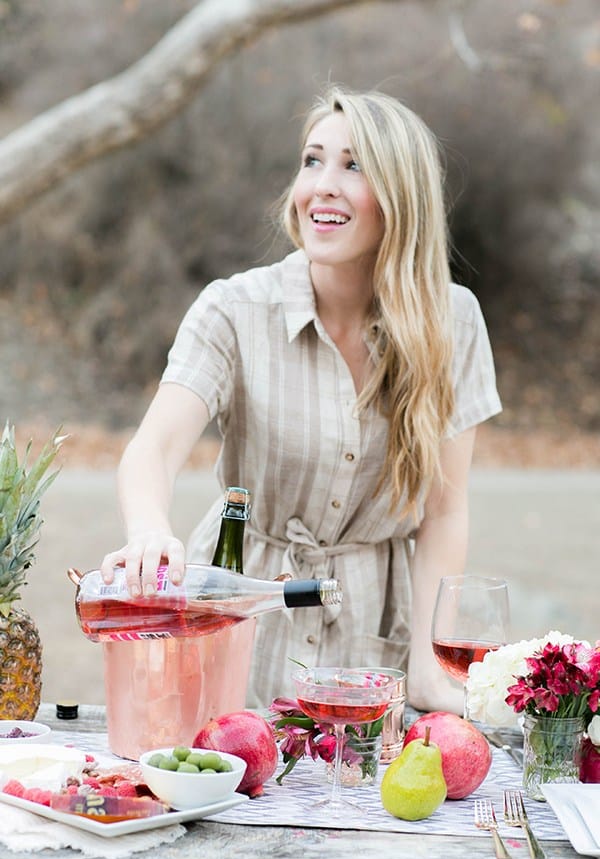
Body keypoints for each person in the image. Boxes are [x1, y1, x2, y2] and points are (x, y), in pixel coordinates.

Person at [100, 85, 502, 714]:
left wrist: (426, 664)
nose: (323, 185)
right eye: (312, 160)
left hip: (373, 636)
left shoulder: (453, 321)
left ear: (402, 198)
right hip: (239, 617)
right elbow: (152, 449)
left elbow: (444, 513)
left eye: (355, 165)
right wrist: (149, 530)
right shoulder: (234, 309)